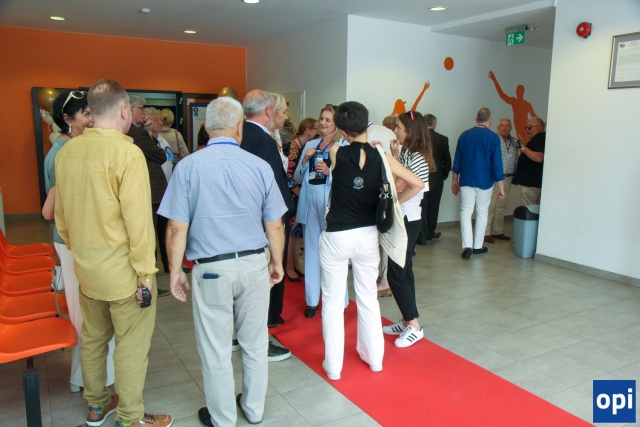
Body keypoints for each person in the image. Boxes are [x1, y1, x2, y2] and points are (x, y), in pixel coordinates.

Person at [159, 96, 287, 427]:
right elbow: (275, 224)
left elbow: (176, 227)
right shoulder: (259, 166)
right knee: (255, 342)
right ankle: (254, 410)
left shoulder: (188, 167)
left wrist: (175, 271)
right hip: (254, 265)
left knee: (215, 347)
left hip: (211, 269)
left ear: (206, 127)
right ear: (239, 127)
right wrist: (277, 262)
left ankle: (223, 418)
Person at [54, 78, 172, 427]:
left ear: (92, 110)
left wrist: (81, 250)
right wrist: (145, 274)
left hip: (87, 269)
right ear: (123, 110)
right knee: (131, 345)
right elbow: (139, 223)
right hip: (124, 273)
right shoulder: (127, 152)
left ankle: (97, 405)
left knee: (93, 340)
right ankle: (130, 417)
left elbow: (62, 218)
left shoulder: (68, 152)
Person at [320, 101, 423, 380]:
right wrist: (395, 201)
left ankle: (334, 367)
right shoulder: (382, 156)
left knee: (332, 302)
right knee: (367, 298)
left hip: (337, 235)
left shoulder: (336, 151)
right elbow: (417, 183)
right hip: (367, 236)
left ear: (343, 130)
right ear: (367, 123)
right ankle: (375, 359)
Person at [43, 90, 115, 394]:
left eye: (92, 112)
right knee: (87, 317)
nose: (92, 119)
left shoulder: (74, 147)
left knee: (88, 314)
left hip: (82, 239)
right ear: (67, 119)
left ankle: (82, 379)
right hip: (73, 241)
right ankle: (95, 386)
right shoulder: (63, 153)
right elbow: (52, 209)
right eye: (86, 114)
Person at [241, 89, 293, 361]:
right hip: (263, 221)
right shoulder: (263, 141)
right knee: (261, 285)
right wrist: (282, 218)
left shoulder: (240, 135)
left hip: (244, 221)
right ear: (268, 111)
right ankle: (258, 341)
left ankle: (241, 335)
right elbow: (272, 187)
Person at [383, 111, 433, 348]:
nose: (395, 131)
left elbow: (404, 185)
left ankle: (414, 325)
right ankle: (407, 320)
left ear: (410, 131)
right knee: (402, 271)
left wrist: (394, 202)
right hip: (403, 218)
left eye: (399, 128)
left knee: (397, 273)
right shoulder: (407, 154)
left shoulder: (418, 158)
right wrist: (395, 156)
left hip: (407, 220)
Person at [293, 104, 347, 319]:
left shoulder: (342, 146)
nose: (323, 123)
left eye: (328, 120)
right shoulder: (311, 144)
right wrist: (305, 160)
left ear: (336, 124)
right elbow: (297, 177)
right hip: (310, 204)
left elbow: (347, 179)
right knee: (311, 251)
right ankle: (312, 301)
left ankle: (339, 300)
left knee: (334, 253)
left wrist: (329, 172)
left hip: (331, 206)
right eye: (321, 118)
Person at [126, 95, 171, 287]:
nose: (143, 113)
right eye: (141, 110)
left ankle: (157, 270)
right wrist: (148, 133)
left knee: (154, 233)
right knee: (151, 235)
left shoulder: (132, 132)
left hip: (148, 191)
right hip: (151, 192)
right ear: (130, 110)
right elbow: (161, 156)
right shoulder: (138, 133)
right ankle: (150, 277)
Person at [451, 107, 505, 259]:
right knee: (482, 212)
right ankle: (477, 246)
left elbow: (457, 159)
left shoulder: (464, 135)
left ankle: (467, 245)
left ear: (476, 119)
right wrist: (501, 187)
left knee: (465, 212)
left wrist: (454, 180)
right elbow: (497, 164)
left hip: (466, 179)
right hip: (485, 180)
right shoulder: (494, 138)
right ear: (490, 120)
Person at [285, 118, 317, 282]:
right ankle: (288, 265)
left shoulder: (304, 146)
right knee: (292, 232)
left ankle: (296, 263)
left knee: (298, 232)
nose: (318, 132)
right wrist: (299, 193)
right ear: (308, 130)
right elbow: (289, 175)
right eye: (315, 129)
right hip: (293, 194)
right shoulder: (293, 147)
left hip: (300, 193)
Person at [417, 113, 451, 244]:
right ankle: (430, 233)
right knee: (434, 207)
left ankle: (421, 234)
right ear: (434, 124)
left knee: (421, 206)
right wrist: (442, 176)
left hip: (420, 178)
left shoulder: (418, 138)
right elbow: (447, 162)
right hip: (437, 178)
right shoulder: (443, 139)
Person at [484, 118, 519, 243]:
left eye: (507, 126)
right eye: (502, 125)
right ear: (498, 127)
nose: (505, 128)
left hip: (508, 177)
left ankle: (497, 231)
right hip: (495, 178)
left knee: (502, 206)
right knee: (491, 206)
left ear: (511, 128)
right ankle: (485, 233)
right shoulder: (493, 139)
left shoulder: (515, 142)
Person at [488, 71, 539, 144]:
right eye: (517, 91)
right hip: (519, 132)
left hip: (524, 132)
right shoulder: (514, 101)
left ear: (521, 93)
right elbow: (502, 95)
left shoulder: (526, 104)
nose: (517, 93)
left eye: (518, 91)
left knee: (523, 146)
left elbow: (534, 115)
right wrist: (494, 80)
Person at [512, 117, 546, 205]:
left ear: (539, 127)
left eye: (530, 127)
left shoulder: (540, 138)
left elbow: (539, 158)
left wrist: (522, 147)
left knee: (528, 210)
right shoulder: (539, 139)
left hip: (532, 186)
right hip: (534, 184)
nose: (527, 130)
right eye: (526, 128)